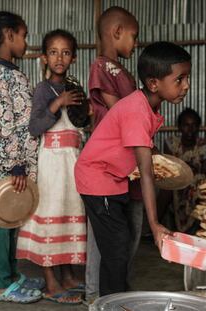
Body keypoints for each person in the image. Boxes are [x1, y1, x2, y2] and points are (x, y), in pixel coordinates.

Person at [75, 41, 191, 296]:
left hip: (113, 178)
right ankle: (110, 301)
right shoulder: (137, 109)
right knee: (116, 250)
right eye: (180, 79)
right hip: (97, 178)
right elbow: (146, 172)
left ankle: (114, 298)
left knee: (119, 247)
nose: (186, 86)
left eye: (187, 78)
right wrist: (155, 223)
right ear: (153, 84)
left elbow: (144, 152)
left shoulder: (148, 105)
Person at [0, 11, 43, 304]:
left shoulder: (12, 71)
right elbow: (2, 124)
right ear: (9, 34)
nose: (27, 41)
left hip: (17, 163)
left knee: (12, 218)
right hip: (6, 164)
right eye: (24, 35)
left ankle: (11, 275)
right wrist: (15, 162)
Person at [16, 29, 86, 305]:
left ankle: (67, 275)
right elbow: (35, 128)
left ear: (74, 57)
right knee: (51, 217)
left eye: (65, 52)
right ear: (44, 58)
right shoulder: (45, 90)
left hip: (70, 165)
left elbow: (79, 124)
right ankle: (51, 282)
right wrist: (58, 103)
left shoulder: (73, 87)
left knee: (68, 215)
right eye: (53, 52)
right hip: (51, 166)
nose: (59, 57)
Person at [85, 6, 141, 303]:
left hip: (128, 162)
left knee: (126, 236)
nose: (135, 43)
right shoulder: (101, 66)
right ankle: (97, 296)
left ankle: (118, 292)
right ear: (116, 32)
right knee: (105, 239)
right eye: (134, 36)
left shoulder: (123, 71)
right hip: (107, 167)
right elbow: (118, 108)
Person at [157, 108, 206, 232]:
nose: (190, 130)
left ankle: (201, 230)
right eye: (186, 125)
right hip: (176, 181)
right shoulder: (171, 143)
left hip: (195, 183)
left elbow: (204, 174)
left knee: (202, 191)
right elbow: (168, 168)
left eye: (194, 125)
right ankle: (154, 226)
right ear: (179, 127)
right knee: (166, 190)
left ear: (198, 127)